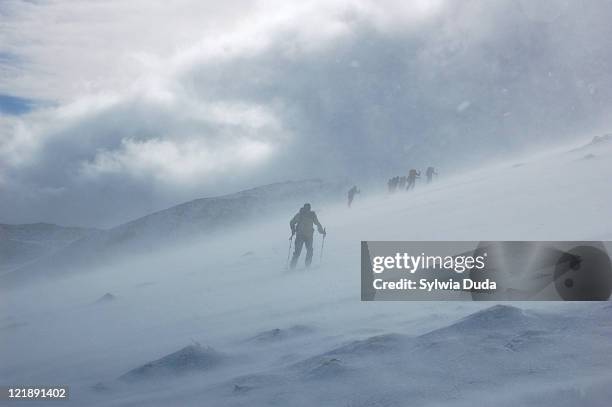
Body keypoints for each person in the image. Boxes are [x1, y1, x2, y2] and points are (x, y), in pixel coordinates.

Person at [289, 203, 325, 269]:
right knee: (299, 251)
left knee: (309, 250)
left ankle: (306, 265)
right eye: (306, 208)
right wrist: (293, 230)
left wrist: (322, 231)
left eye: (308, 209)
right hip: (301, 236)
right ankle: (293, 267)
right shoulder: (301, 215)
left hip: (307, 236)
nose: (307, 210)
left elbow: (317, 223)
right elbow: (292, 222)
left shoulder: (311, 215)